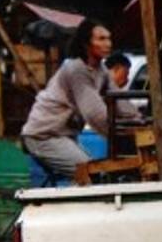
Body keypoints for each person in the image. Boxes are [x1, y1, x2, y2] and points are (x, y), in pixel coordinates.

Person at [20, 19, 115, 181]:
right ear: (86, 44)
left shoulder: (101, 71)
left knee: (98, 172)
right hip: (43, 137)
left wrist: (138, 121)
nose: (108, 44)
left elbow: (120, 101)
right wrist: (116, 133)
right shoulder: (76, 70)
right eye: (101, 39)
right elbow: (94, 114)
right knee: (90, 173)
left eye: (109, 39)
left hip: (63, 137)